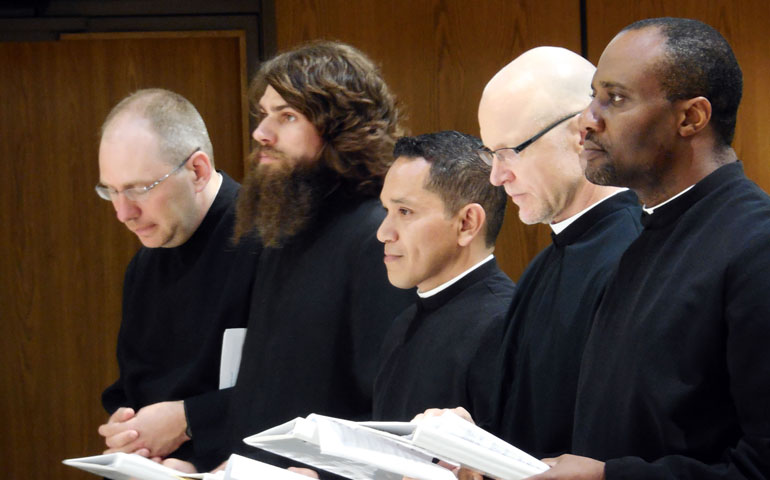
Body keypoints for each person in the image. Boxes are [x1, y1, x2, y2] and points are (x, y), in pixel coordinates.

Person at [146, 41, 413, 473]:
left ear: (342, 128)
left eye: (286, 116)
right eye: (263, 115)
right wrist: (215, 470)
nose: (261, 133)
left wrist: (320, 475)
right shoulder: (284, 229)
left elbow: (391, 414)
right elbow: (264, 396)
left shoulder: (376, 237)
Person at [533, 17, 770, 479]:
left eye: (615, 99)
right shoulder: (644, 238)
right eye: (593, 96)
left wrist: (609, 477)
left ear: (691, 118)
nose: (587, 120)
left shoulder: (756, 247)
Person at [477, 47, 642, 458]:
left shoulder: (639, 257)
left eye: (508, 151)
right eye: (490, 154)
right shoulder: (541, 267)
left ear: (579, 133)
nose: (497, 176)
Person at [95, 89, 259, 464]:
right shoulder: (144, 264)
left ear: (197, 171)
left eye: (138, 189)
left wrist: (189, 422)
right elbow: (132, 387)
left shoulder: (270, 242)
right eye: (111, 191)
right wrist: (127, 429)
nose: (124, 213)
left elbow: (294, 388)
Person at [373, 131, 514, 430]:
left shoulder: (504, 327)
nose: (383, 232)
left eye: (404, 211)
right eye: (387, 211)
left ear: (467, 223)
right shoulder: (403, 323)